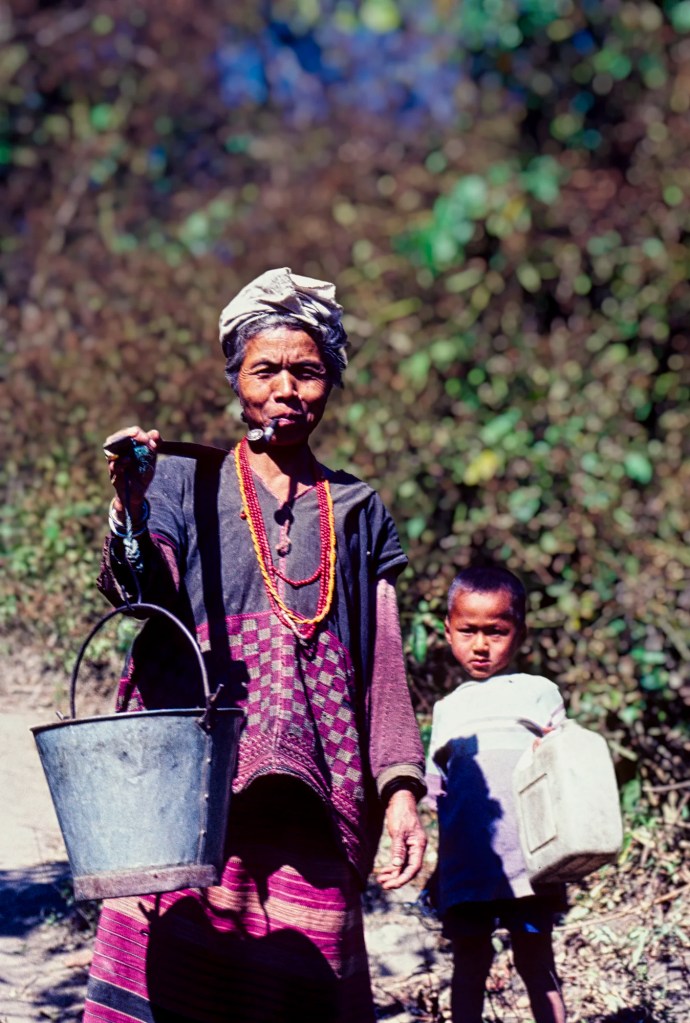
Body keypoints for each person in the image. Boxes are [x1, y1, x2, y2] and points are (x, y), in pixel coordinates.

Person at [83, 267, 427, 1023]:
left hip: (319, 779)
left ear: (330, 383)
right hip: (192, 777)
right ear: (236, 378)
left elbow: (385, 659)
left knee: (298, 982)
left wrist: (401, 787)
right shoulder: (179, 477)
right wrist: (130, 508)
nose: (286, 389)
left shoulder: (358, 507)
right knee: (173, 968)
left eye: (306, 370)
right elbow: (141, 593)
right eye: (264, 369)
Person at [425, 564, 567, 1023]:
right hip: (467, 867)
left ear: (519, 633)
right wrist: (436, 871)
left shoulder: (540, 693)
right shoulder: (447, 709)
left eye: (496, 631)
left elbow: (563, 768)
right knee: (469, 964)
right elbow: (438, 795)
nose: (481, 645)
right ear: (448, 631)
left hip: (531, 865)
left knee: (536, 962)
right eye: (468, 631)